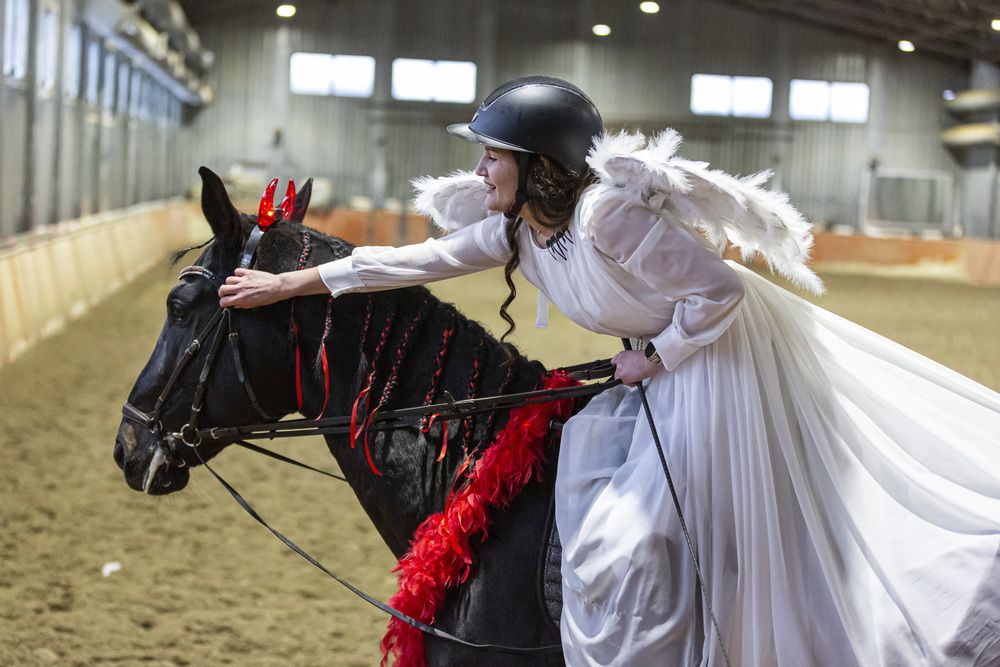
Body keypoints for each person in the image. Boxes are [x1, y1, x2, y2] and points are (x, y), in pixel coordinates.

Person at [219, 76, 1000, 666]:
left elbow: (722, 293)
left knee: (658, 531)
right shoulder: (517, 230)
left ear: (536, 164)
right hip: (664, 363)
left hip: (718, 359)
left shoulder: (606, 218)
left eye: (493, 155)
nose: (480, 169)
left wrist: (655, 355)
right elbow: (412, 260)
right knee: (589, 468)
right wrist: (288, 284)